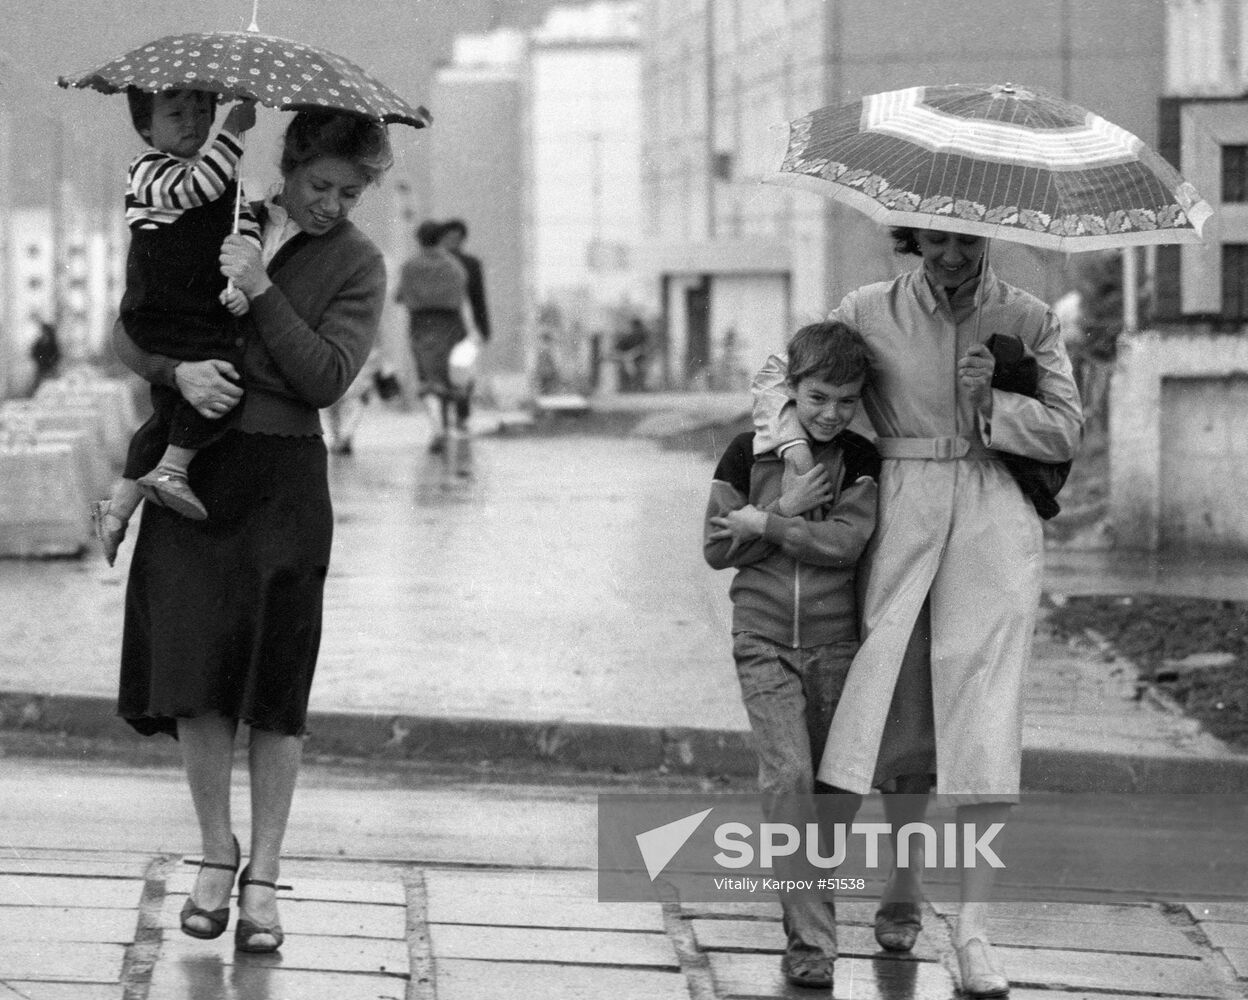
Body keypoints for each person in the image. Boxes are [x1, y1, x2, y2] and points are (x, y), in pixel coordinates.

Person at [752, 227, 1082, 997]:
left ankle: (972, 935)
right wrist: (796, 447)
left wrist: (992, 399)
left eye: (967, 243)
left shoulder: (1029, 318)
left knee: (982, 712)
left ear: (989, 239)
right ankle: (895, 885)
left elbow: (1067, 426)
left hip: (995, 519)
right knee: (891, 709)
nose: (953, 258)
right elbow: (780, 374)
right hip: (898, 517)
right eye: (937, 242)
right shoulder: (870, 309)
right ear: (915, 238)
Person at [109, 109, 393, 954]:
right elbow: (134, 322)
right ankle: (213, 851)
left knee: (275, 683)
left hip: (282, 483)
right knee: (194, 672)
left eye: (350, 193)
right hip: (194, 471)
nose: (332, 206)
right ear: (291, 166)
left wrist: (263, 290)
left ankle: (263, 873)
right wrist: (176, 370)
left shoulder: (360, 264)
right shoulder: (226, 210)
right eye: (318, 187)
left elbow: (327, 378)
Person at [705, 320, 881, 991]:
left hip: (837, 645)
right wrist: (786, 503)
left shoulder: (861, 459)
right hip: (763, 639)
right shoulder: (744, 455)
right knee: (789, 781)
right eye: (817, 398)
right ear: (792, 393)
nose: (831, 413)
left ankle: (811, 922)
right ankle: (812, 943)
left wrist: (769, 523)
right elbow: (717, 547)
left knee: (832, 796)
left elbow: (846, 544)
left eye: (845, 400)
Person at [90, 90, 261, 565]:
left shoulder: (225, 177)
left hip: (195, 309)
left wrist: (242, 280)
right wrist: (233, 129)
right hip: (160, 308)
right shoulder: (148, 169)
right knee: (226, 374)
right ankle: (171, 471)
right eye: (176, 114)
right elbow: (197, 188)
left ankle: (116, 509)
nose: (194, 123)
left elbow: (243, 230)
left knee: (167, 414)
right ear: (147, 127)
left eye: (203, 113)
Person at [396, 220, 469, 453]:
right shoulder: (453, 265)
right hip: (451, 325)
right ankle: (445, 428)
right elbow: (460, 296)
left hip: (421, 324)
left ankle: (438, 430)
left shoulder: (410, 266)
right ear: (440, 239)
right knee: (447, 379)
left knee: (429, 379)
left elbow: (399, 296)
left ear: (419, 240)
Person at [440, 218, 490, 429]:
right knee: (442, 373)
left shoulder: (471, 264)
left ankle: (461, 414)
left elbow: (479, 297)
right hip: (442, 325)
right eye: (449, 238)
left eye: (456, 238)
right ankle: (444, 418)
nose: (453, 242)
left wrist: (484, 327)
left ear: (463, 240)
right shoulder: (438, 263)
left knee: (465, 371)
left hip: (467, 326)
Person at [28, 315, 61, 395]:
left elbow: (57, 355)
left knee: (52, 387)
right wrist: (39, 360)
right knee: (38, 387)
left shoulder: (53, 344)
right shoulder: (39, 343)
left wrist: (52, 363)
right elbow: (33, 353)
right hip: (41, 368)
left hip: (51, 368)